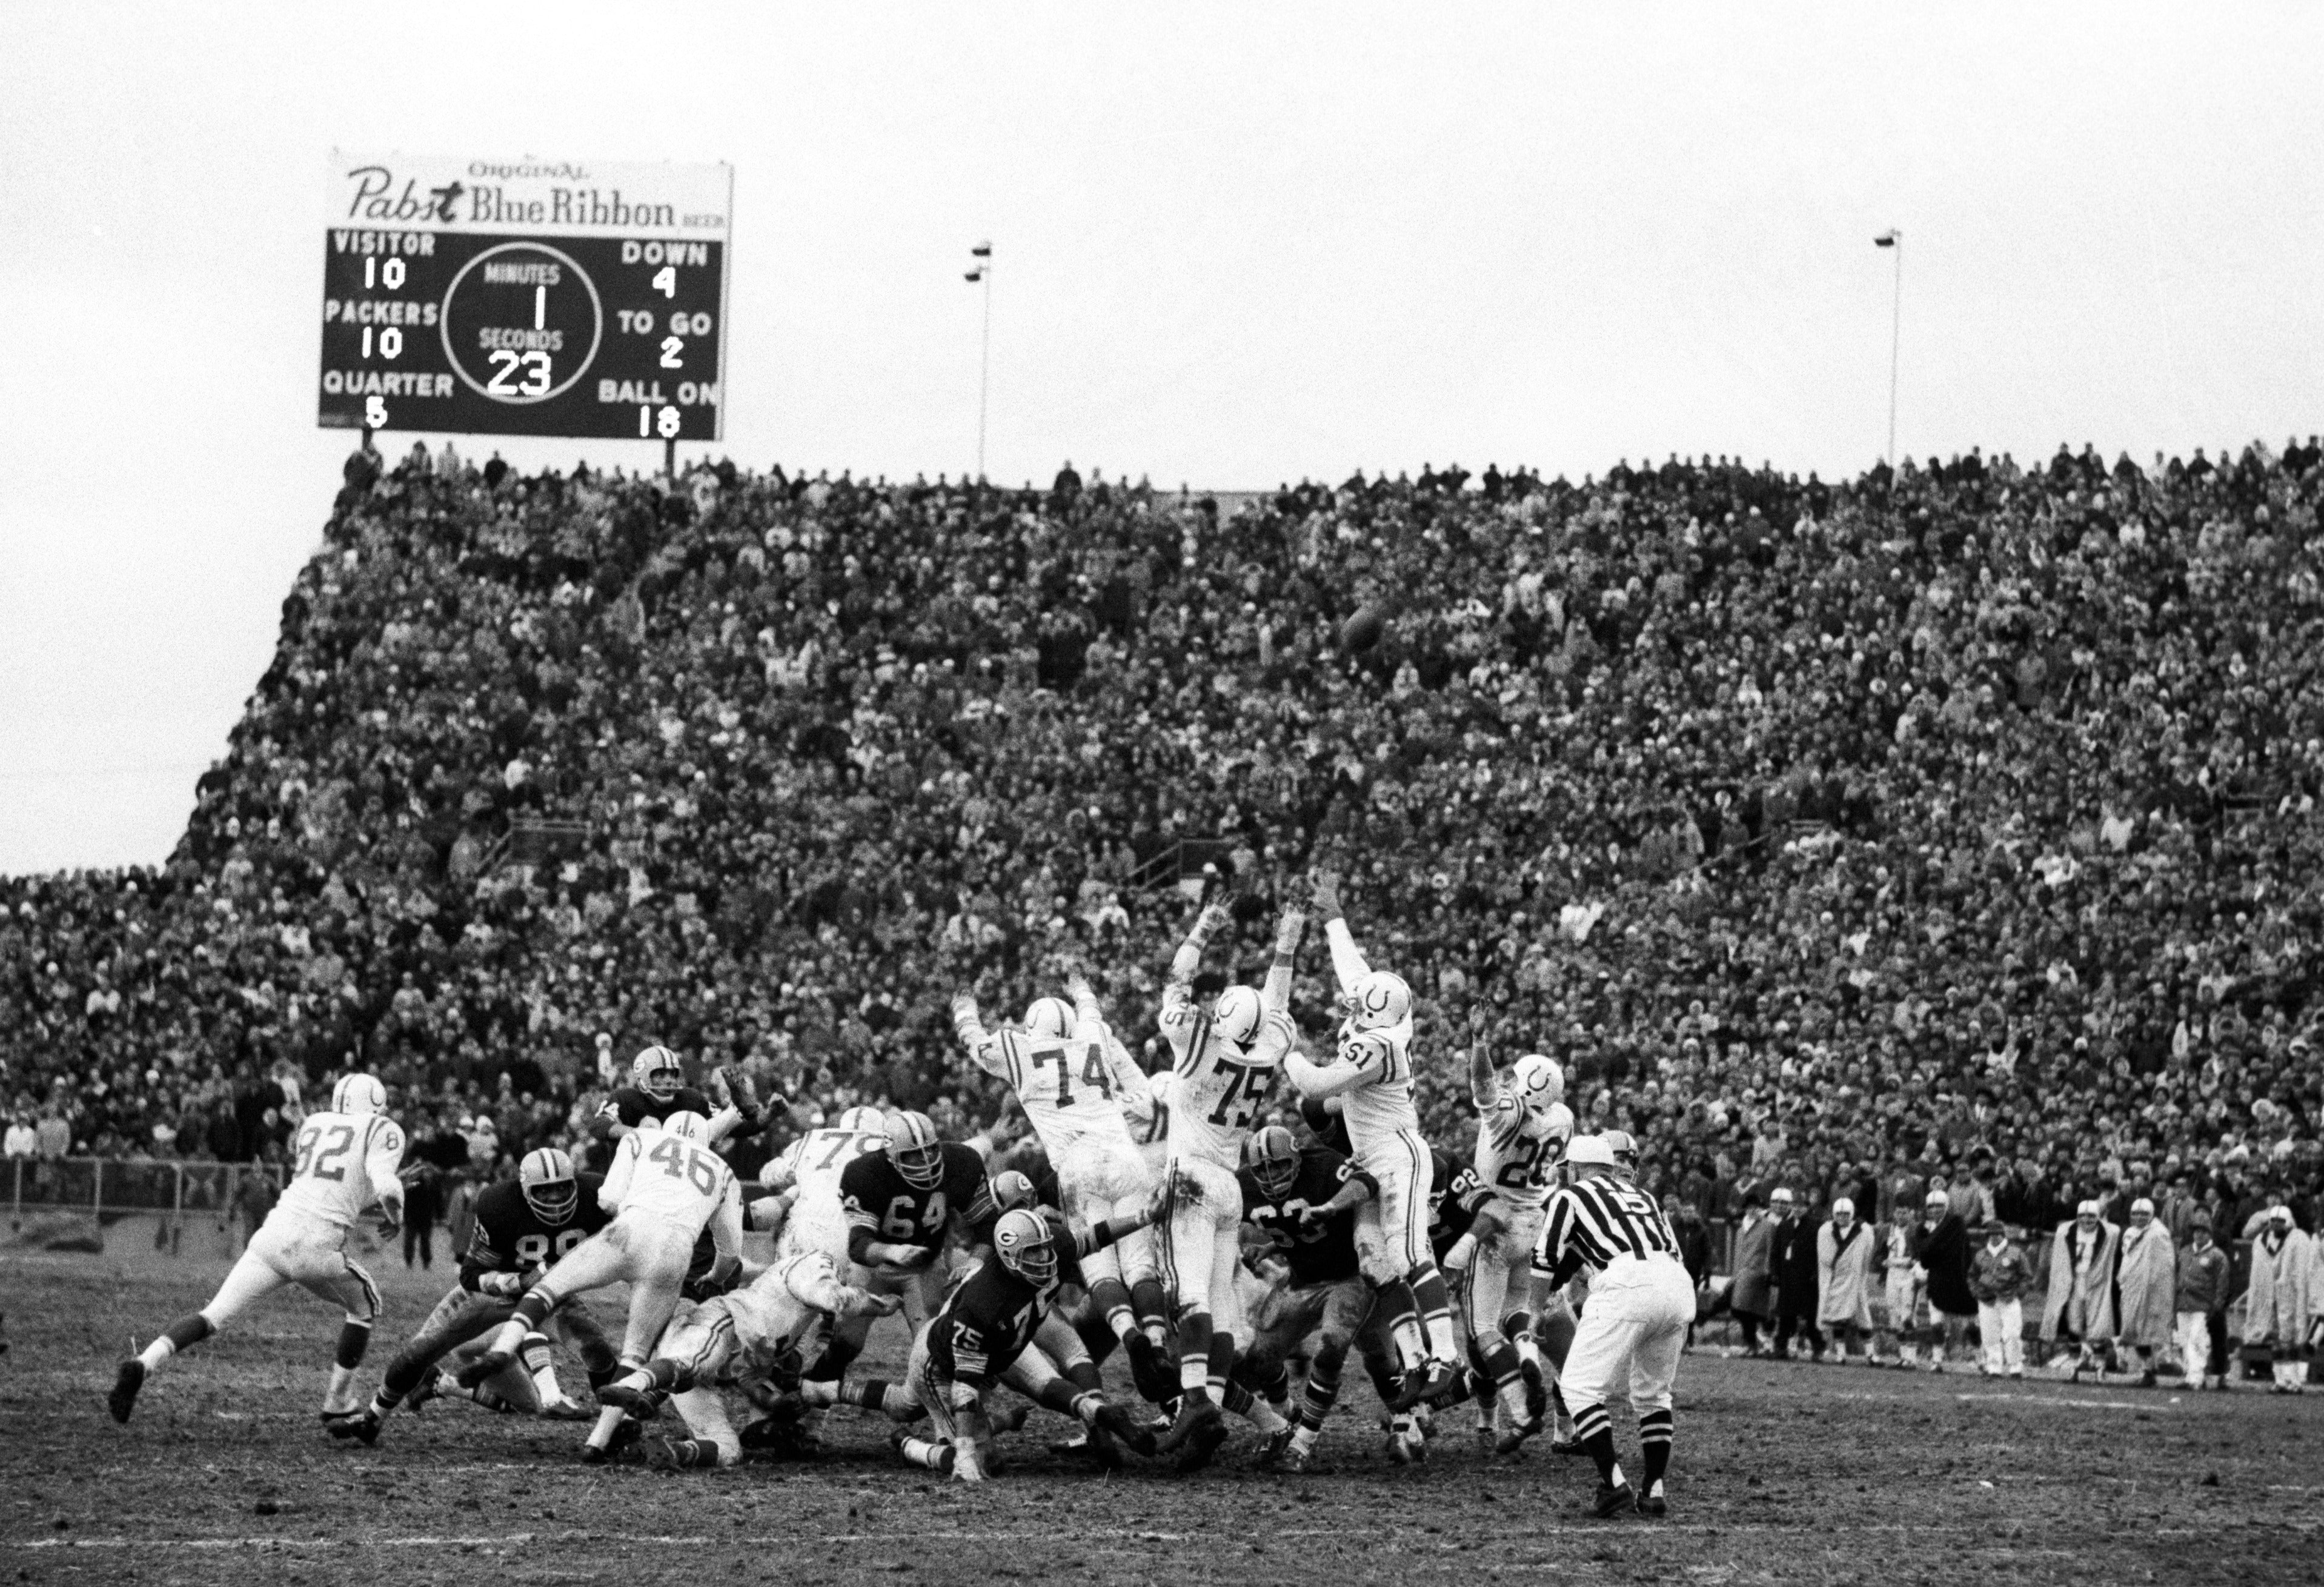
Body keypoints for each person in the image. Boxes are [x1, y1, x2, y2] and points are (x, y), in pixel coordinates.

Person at [110, 1073, 403, 1429]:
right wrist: (395, 1215)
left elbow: (334, 1189)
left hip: (272, 1236)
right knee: (365, 1306)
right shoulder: (381, 1129)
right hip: (315, 1247)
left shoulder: (314, 1122)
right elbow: (387, 1189)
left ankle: (143, 1363)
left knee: (212, 1314)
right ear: (374, 1103)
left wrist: (377, 1199)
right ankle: (338, 1403)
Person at [458, 1111, 743, 1459]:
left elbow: (608, 1198)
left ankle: (503, 1349)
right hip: (675, 1251)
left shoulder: (642, 1137)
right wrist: (714, 1276)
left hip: (630, 1229)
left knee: (547, 1288)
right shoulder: (725, 1171)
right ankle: (598, 1441)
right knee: (635, 1353)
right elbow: (731, 1251)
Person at [1289, 871, 1463, 1406]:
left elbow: (1316, 1082)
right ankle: (1415, 1360)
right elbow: (1354, 970)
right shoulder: (1391, 1017)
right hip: (1372, 1154)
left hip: (1396, 1154)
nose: (1351, 1003)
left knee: (1411, 1253)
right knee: (1382, 1265)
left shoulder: (1378, 1045)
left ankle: (1448, 1358)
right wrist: (1333, 914)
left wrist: (1286, 1048)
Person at [950, 968, 1163, 1375]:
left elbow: (975, 1042)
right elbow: (1090, 1008)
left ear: (1032, 1027)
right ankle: (1156, 1339)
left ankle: (1130, 1336)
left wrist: (965, 1008)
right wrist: (1080, 985)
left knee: (1100, 1264)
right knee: (1140, 1264)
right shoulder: (1093, 1037)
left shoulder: (1021, 1050)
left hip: (1078, 1164)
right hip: (1125, 1155)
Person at [1151, 898, 1301, 1466]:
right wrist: (1285, 944)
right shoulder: (1270, 1049)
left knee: (1187, 1296)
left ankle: (1195, 1399)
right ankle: (1222, 1406)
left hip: (1189, 1177)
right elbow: (1277, 1002)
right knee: (1214, 1302)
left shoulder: (1200, 1043)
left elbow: (1175, 984)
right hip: (1230, 1185)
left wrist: (1203, 928)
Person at [333, 1146, 616, 1443]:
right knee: (420, 1352)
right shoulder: (499, 1205)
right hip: (494, 1294)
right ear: (525, 1191)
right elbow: (471, 1275)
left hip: (553, 1295)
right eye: (545, 1192)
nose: (555, 1199)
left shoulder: (599, 1194)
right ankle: (373, 1418)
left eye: (562, 1188)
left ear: (575, 1183)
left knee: (598, 1352)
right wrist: (519, 1282)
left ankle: (614, 1428)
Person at [1532, 1134, 1695, 1519]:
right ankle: (1653, 1490)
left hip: (1625, 1281)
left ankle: (1614, 1483)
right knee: (1655, 1395)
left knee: (1578, 1388)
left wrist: (1533, 1310)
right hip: (1676, 1283)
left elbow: (1545, 1256)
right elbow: (1674, 1251)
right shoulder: (1645, 1197)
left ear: (1574, 1169)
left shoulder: (1570, 1195)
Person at [1462, 1023, 1573, 1448]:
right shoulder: (1562, 1117)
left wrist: (1479, 1041)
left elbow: (1484, 1083)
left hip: (1497, 1221)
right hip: (1537, 1221)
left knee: (1482, 1328)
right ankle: (1527, 1352)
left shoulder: (1510, 1112)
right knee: (1519, 1312)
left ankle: (1522, 1409)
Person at [2240, 1205, 2319, 1394]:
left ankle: (2295, 1380)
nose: (2276, 1224)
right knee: (2275, 1339)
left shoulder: (2298, 1239)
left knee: (2290, 1339)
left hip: (2289, 1296)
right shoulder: (2261, 1241)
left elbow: (2302, 1270)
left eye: (2280, 1221)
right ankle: (2281, 1379)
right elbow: (2258, 1271)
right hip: (2269, 1297)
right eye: (2273, 1221)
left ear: (2288, 1222)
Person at [2040, 1200, 2121, 1380]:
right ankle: (2074, 1365)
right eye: (2082, 1216)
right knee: (2074, 1326)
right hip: (2075, 1281)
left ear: (2099, 1218)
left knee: (2098, 1327)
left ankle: (2100, 1367)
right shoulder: (2065, 1232)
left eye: (2091, 1216)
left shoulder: (2110, 1232)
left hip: (2098, 1282)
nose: (2087, 1220)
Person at [2114, 1198, 2178, 1387]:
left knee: (2149, 1331)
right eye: (2135, 1214)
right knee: (2132, 1331)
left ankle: (2154, 1369)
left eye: (2144, 1214)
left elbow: (2165, 1266)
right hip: (2131, 1288)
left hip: (2152, 1290)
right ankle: (2147, 1369)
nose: (2139, 1217)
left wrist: (2154, 1286)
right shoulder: (2129, 1233)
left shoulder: (2159, 1234)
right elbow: (2127, 1260)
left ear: (2151, 1215)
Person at [2174, 1212, 2233, 1391]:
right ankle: (2190, 1374)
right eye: (2196, 1231)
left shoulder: (2217, 1256)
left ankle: (2197, 1378)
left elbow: (2222, 1284)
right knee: (2184, 1341)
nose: (2199, 1235)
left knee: (2197, 1340)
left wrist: (2217, 1305)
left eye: (2203, 1231)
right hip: (2183, 1303)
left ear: (2210, 1233)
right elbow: (2176, 1277)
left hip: (2203, 1305)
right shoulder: (2184, 1252)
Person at [1967, 1220, 2031, 1378]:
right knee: (1990, 1336)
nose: (1995, 1237)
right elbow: (1972, 1276)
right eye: (1991, 1234)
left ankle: (2015, 1367)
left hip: (2009, 1298)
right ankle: (1994, 1367)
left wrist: (2019, 1293)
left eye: (1998, 1234)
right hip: (1987, 1300)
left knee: (2013, 1334)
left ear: (2003, 1235)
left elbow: (2026, 1276)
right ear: (1987, 1236)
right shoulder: (1981, 1255)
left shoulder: (2016, 1253)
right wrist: (1976, 1292)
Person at [1816, 1197, 1877, 1363]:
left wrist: (1857, 1272)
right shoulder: (1826, 1230)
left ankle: (1871, 1354)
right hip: (1837, 1279)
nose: (1842, 1217)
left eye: (1846, 1214)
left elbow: (1867, 1254)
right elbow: (1825, 1257)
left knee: (1863, 1315)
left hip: (1855, 1279)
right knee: (1837, 1317)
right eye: (1839, 1214)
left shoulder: (1864, 1230)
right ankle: (1841, 1354)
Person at [1768, 1188, 1823, 1361]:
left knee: (1809, 1316)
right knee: (1786, 1315)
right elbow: (1776, 1252)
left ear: (1807, 1207)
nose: (1798, 1209)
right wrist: (1775, 1272)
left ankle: (1818, 1348)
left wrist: (1815, 1273)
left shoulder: (1815, 1227)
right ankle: (1781, 1347)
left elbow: (1819, 1253)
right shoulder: (1784, 1226)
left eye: (1802, 1206)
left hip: (1807, 1278)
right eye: (1795, 1206)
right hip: (1787, 1277)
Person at [1728, 1191, 1776, 1356]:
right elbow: (1737, 1254)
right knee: (1743, 1311)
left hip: (1759, 1274)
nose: (1752, 1211)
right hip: (1742, 1275)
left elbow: (1770, 1250)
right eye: (1749, 1208)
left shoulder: (1768, 1226)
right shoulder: (1741, 1230)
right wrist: (1735, 1276)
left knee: (1751, 1311)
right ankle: (1753, 1344)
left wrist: (1769, 1271)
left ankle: (1759, 1344)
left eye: (1756, 1208)